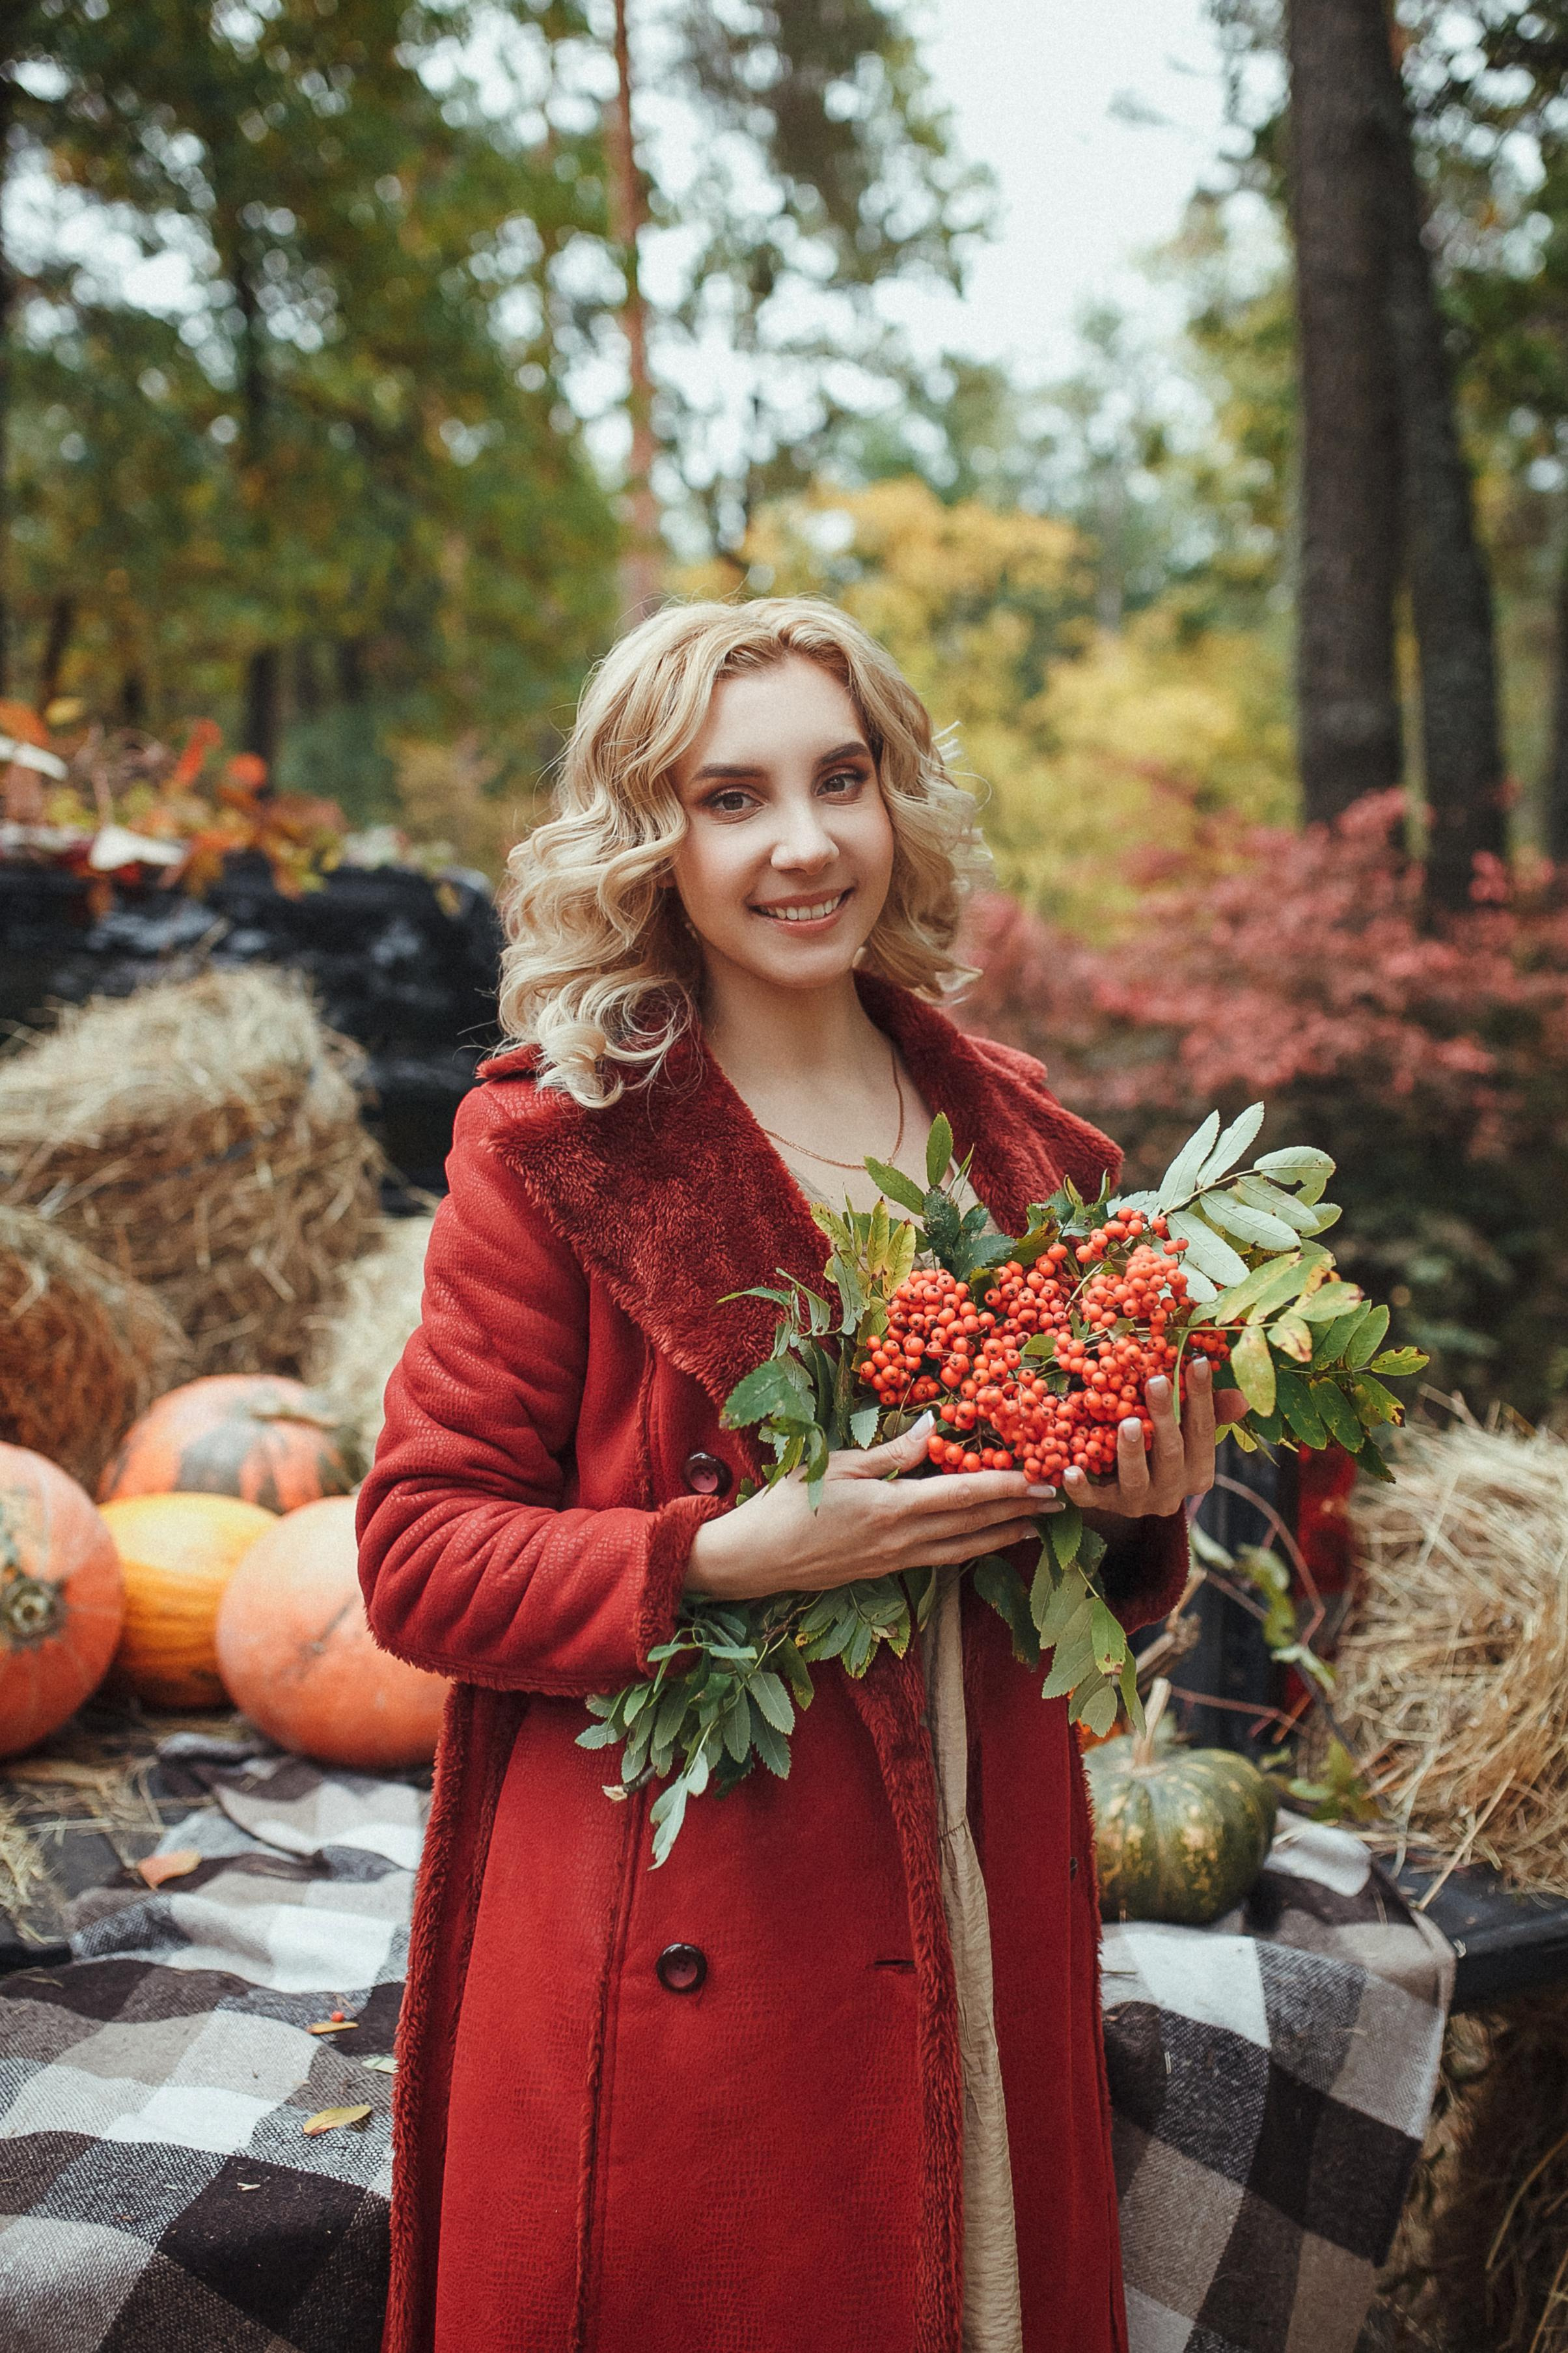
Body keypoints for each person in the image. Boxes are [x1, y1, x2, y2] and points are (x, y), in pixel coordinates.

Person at [356, 598, 1239, 2353]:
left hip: (983, 1869)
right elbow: (416, 1556)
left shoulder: (1027, 1147)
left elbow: (1044, 1544)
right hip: (692, 1918)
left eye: (842, 780)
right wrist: (728, 1554)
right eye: (731, 797)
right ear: (650, 840)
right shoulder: (555, 1147)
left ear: (897, 798)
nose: (805, 843)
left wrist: (1135, 1515)